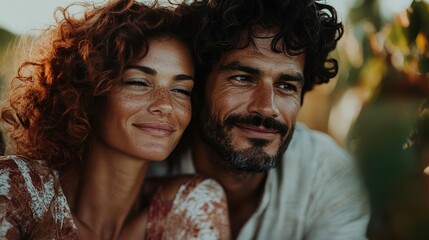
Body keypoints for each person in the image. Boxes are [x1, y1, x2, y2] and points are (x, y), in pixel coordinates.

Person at [0, 0, 230, 239]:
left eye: (181, 90)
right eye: (138, 83)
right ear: (86, 91)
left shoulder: (192, 206)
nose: (165, 105)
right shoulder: (18, 188)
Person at [149, 0, 369, 239]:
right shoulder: (146, 163)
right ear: (199, 86)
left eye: (286, 86)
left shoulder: (324, 173)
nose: (266, 108)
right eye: (243, 78)